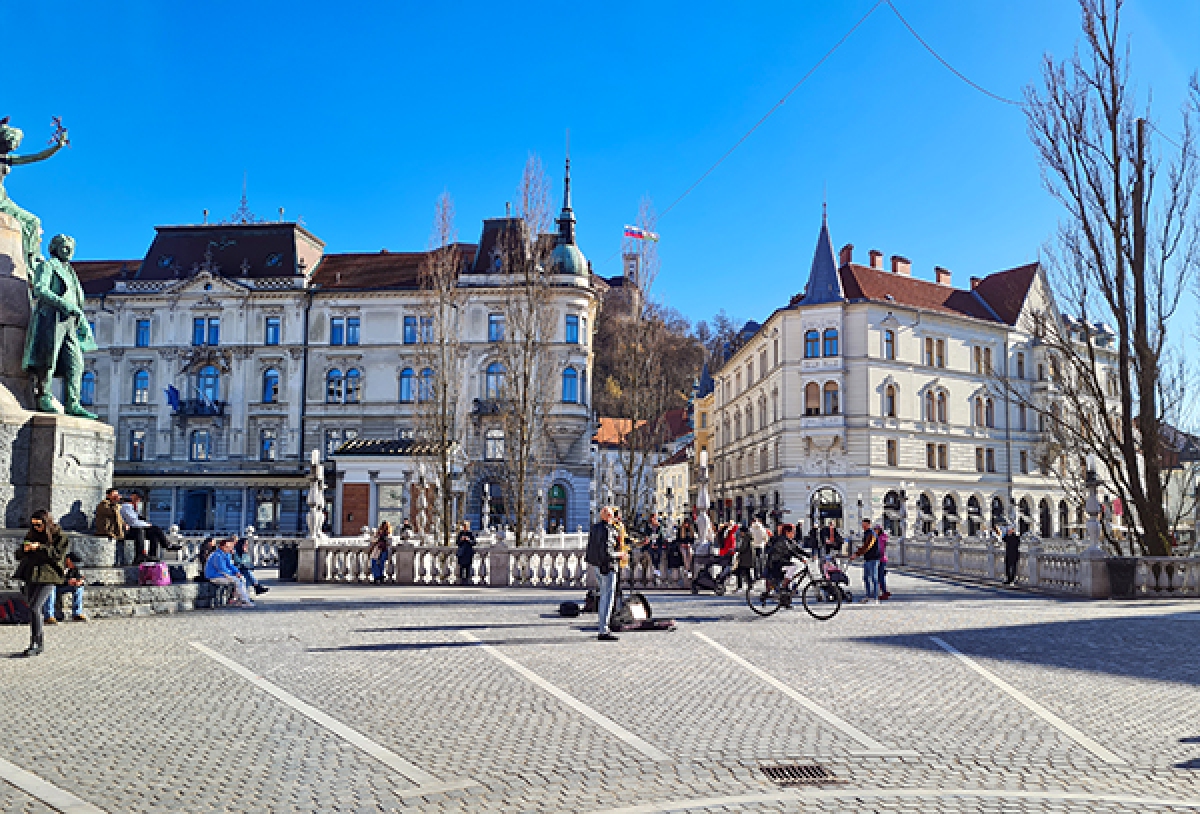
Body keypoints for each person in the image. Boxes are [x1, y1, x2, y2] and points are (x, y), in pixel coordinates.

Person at [14, 510, 68, 657]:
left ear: (46, 522)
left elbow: (58, 556)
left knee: (35, 607)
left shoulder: (60, 536)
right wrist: (25, 549)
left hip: (49, 576)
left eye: (38, 524)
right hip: (32, 575)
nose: (36, 527)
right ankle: (37, 642)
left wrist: (39, 547)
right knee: (32, 608)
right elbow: (18, 555)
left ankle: (36, 643)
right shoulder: (31, 534)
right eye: (33, 524)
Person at [585, 506, 620, 642]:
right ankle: (603, 629)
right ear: (608, 517)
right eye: (612, 516)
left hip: (597, 566)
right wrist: (619, 554)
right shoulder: (607, 530)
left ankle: (603, 626)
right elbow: (608, 552)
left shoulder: (595, 528)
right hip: (608, 566)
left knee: (604, 596)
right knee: (608, 598)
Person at [119, 492, 171, 563]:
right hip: (129, 529)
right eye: (136, 498)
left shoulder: (133, 507)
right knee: (147, 530)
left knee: (154, 533)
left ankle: (153, 555)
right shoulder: (126, 506)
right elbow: (133, 522)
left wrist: (146, 524)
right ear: (132, 497)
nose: (138, 500)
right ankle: (166, 545)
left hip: (135, 527)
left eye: (139, 499)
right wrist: (147, 525)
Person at [204, 537, 255, 607]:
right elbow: (222, 569)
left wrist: (237, 572)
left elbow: (230, 565)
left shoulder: (226, 554)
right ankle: (245, 600)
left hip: (222, 575)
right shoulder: (217, 555)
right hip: (214, 576)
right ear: (222, 547)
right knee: (237, 581)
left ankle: (239, 600)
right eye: (227, 547)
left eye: (230, 547)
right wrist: (234, 575)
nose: (229, 548)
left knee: (242, 579)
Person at [44, 552, 87, 623]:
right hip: (53, 585)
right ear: (68, 560)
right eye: (73, 564)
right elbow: (52, 579)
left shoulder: (74, 568)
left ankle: (77, 613)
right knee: (51, 588)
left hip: (63, 586)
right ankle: (49, 616)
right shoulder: (57, 563)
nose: (74, 567)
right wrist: (67, 581)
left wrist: (79, 581)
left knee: (79, 588)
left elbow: (79, 576)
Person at [94, 487, 126, 567]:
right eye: (114, 495)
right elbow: (113, 512)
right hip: (107, 530)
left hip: (116, 529)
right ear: (108, 495)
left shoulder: (116, 505)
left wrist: (124, 524)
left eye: (117, 494)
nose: (116, 496)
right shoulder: (103, 505)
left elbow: (120, 517)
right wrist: (116, 504)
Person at [853, 519, 880, 604]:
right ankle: (868, 596)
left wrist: (857, 554)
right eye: (862, 525)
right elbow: (865, 546)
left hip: (873, 558)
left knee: (874, 578)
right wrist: (859, 550)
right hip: (867, 558)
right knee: (866, 578)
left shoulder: (872, 534)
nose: (862, 526)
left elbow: (867, 546)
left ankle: (875, 598)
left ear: (868, 525)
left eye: (864, 525)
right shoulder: (866, 533)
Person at [733, 525, 755, 591]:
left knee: (739, 571)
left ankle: (740, 586)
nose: (740, 533)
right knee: (747, 571)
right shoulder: (749, 537)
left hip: (745, 558)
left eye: (741, 532)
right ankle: (750, 584)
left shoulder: (746, 538)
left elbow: (743, 548)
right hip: (748, 558)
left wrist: (736, 549)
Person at [454, 521, 475, 585]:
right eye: (464, 526)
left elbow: (474, 542)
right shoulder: (460, 533)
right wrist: (461, 540)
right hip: (462, 553)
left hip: (468, 553)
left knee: (468, 567)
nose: (465, 527)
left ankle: (467, 581)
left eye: (466, 526)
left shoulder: (470, 533)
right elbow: (457, 543)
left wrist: (468, 540)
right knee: (461, 567)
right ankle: (461, 581)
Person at [875, 523, 891, 600]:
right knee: (881, 576)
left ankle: (884, 592)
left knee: (880, 577)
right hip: (882, 559)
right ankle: (884, 591)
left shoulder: (880, 538)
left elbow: (880, 549)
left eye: (876, 529)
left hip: (880, 559)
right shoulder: (882, 537)